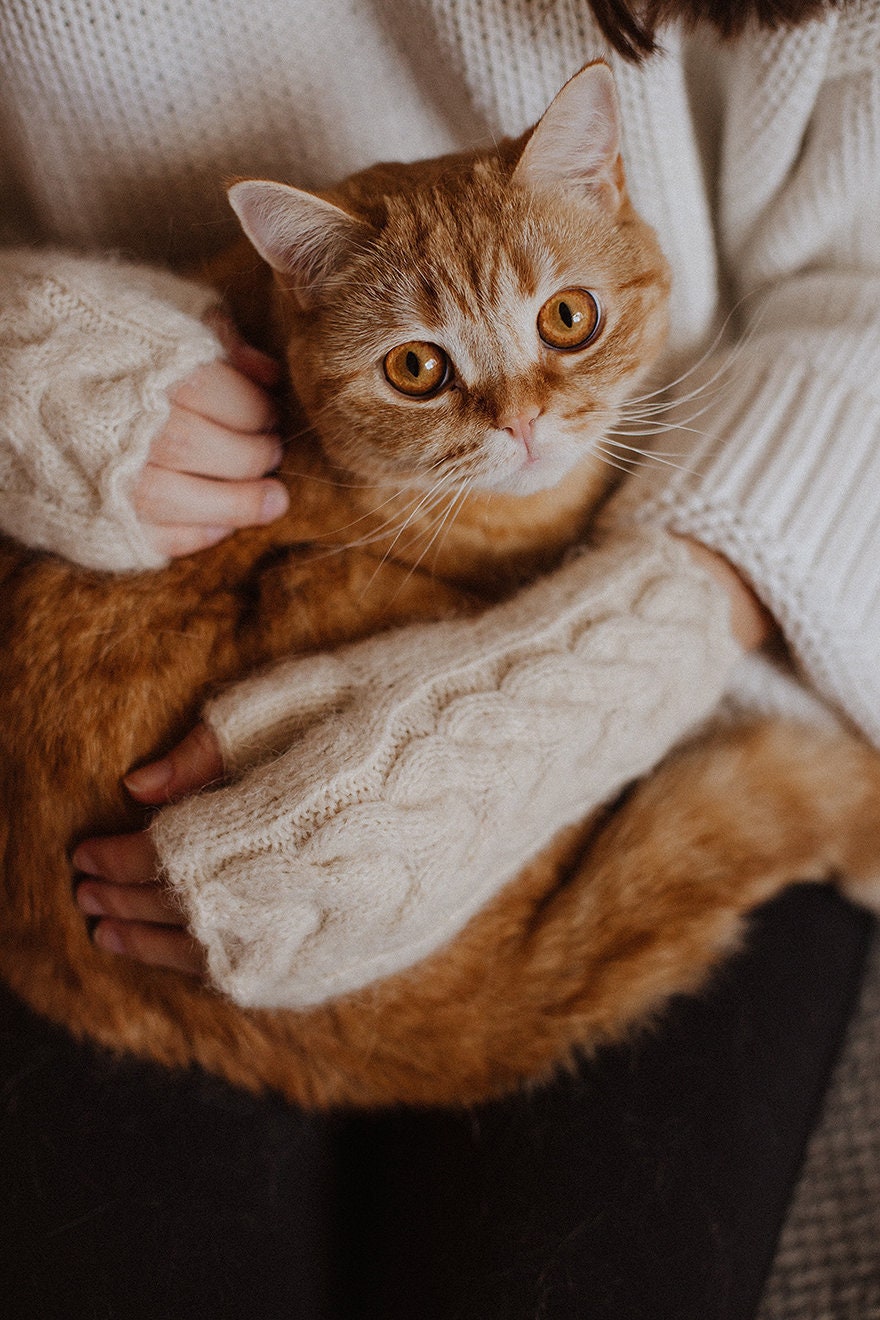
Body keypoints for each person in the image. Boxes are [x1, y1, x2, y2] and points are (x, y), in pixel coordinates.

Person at [1, 1, 878, 1315]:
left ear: (610, 189)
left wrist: (640, 648)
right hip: (100, 865)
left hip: (768, 568)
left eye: (566, 323)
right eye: (424, 370)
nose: (522, 418)